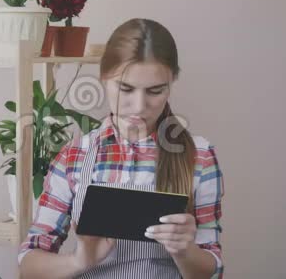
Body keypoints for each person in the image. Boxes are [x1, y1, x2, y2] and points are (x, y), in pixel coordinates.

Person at [18, 18, 224, 279]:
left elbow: (212, 268)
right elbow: (28, 266)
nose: (139, 106)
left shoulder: (200, 156)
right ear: (104, 78)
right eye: (125, 88)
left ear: (172, 81)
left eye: (155, 91)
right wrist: (79, 261)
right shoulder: (73, 156)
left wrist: (185, 252)